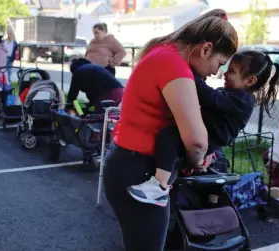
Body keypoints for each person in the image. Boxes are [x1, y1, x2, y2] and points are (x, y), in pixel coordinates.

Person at [102, 15, 238, 251]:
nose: (217, 72)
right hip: (140, 169)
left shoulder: (162, 52)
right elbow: (197, 142)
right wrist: (198, 160)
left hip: (127, 164)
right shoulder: (174, 66)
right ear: (206, 49)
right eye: (220, 63)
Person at [128, 50, 279, 206]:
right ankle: (171, 178)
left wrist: (188, 75)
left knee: (169, 136)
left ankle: (159, 186)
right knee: (172, 143)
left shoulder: (243, 100)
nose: (225, 74)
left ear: (250, 81)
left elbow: (211, 98)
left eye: (232, 72)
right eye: (226, 69)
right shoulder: (232, 94)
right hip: (209, 136)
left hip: (211, 138)